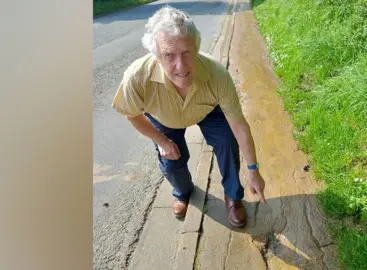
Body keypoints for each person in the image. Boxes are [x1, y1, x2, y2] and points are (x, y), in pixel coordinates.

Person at [111, 6, 266, 228]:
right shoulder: (137, 78)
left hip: (207, 109)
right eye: (169, 56)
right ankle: (182, 192)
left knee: (227, 140)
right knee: (172, 161)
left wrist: (254, 172)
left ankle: (233, 196)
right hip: (164, 117)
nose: (181, 66)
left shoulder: (217, 75)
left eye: (186, 53)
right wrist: (162, 141)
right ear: (156, 55)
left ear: (197, 48)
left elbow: (240, 126)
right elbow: (132, 115)